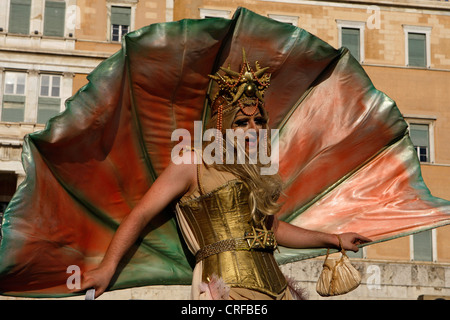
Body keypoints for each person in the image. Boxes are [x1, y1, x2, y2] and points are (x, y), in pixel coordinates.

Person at [77, 51, 371, 300]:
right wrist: (107, 266)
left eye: (259, 121)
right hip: (224, 292)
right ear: (223, 125)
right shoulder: (192, 162)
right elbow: (140, 215)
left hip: (277, 291)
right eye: (242, 122)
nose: (253, 129)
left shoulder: (257, 171)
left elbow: (273, 230)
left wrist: (334, 238)